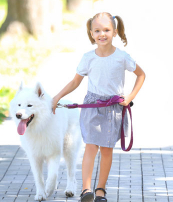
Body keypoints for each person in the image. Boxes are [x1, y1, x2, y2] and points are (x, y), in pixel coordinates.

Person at [52, 12, 145, 202]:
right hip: (92, 106)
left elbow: (141, 75)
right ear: (91, 33)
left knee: (106, 150)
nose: (102, 34)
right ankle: (86, 190)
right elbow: (75, 82)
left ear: (115, 32)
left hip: (113, 108)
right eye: (97, 31)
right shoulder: (88, 58)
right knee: (90, 147)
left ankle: (100, 189)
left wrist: (129, 97)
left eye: (106, 30)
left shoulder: (122, 57)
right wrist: (57, 97)